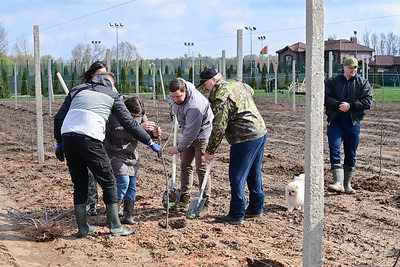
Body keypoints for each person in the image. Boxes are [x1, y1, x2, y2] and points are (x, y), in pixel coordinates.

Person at [54, 72, 161, 236]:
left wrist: (59, 143)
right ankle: (115, 226)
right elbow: (129, 123)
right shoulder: (112, 94)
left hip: (68, 137)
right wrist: (150, 142)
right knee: (109, 181)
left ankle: (83, 227)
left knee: (80, 183)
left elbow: (59, 117)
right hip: (90, 138)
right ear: (109, 85)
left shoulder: (77, 90)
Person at [200, 68, 268, 225]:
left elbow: (219, 126)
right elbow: (251, 90)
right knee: (253, 172)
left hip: (244, 137)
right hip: (260, 131)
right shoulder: (235, 83)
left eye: (205, 84)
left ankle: (237, 213)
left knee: (236, 175)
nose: (204, 87)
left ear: (214, 80)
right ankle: (256, 208)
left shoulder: (219, 96)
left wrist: (210, 151)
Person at [105, 96, 161, 224]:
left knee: (131, 185)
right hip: (115, 152)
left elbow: (144, 132)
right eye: (133, 115)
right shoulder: (116, 113)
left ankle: (128, 215)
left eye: (138, 116)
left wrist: (153, 134)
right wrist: (139, 126)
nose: (136, 117)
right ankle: (112, 216)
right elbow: (117, 132)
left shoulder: (141, 113)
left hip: (131, 154)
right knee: (122, 182)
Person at [325, 57, 372, 194]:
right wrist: (339, 104)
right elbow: (325, 97)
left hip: (353, 123)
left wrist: (350, 106)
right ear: (344, 67)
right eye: (351, 67)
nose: (353, 70)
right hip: (335, 122)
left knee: (351, 152)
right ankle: (337, 182)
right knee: (334, 149)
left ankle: (347, 184)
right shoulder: (333, 82)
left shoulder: (362, 83)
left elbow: (367, 102)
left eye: (355, 67)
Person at [168, 78, 214, 215]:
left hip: (202, 135)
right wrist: (174, 106)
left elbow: (191, 132)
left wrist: (179, 147)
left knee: (201, 168)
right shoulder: (179, 90)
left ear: (186, 91)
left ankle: (205, 201)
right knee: (185, 166)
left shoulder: (195, 106)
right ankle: (184, 197)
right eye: (173, 97)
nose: (176, 99)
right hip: (188, 131)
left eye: (179, 96)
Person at [79, 61, 108, 216]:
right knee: (91, 173)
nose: (101, 78)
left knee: (109, 173)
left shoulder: (110, 90)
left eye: (104, 75)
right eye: (98, 75)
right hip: (89, 136)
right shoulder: (84, 91)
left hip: (107, 137)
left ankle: (113, 204)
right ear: (92, 75)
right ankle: (92, 204)